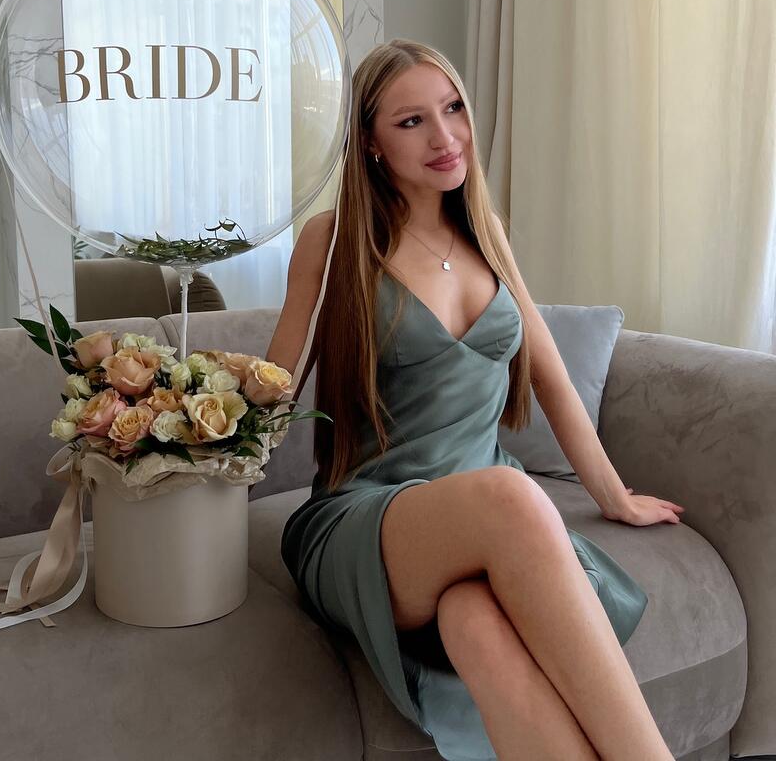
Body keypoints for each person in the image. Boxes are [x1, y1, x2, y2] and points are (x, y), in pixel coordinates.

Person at [267, 39, 681, 760]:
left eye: (452, 108)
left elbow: (551, 379)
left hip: (481, 519)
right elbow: (272, 393)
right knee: (511, 495)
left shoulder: (485, 234)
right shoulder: (333, 241)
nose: (444, 135)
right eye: (411, 121)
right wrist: (183, 419)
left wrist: (615, 497)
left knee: (475, 624)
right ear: (370, 141)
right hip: (368, 516)